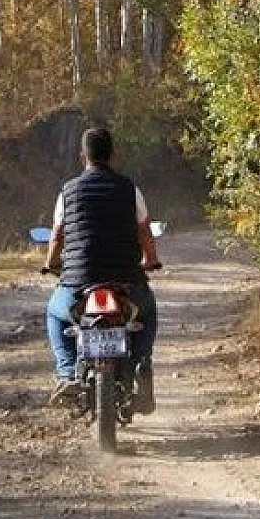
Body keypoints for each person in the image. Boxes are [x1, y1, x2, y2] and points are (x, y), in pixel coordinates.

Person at [41, 126, 162, 413]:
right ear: (113, 155)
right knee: (147, 312)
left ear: (82, 156)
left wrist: (50, 263)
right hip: (126, 282)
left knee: (55, 315)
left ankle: (68, 374)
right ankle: (141, 365)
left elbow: (58, 235)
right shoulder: (130, 189)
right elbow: (144, 232)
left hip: (77, 282)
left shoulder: (67, 192)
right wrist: (151, 260)